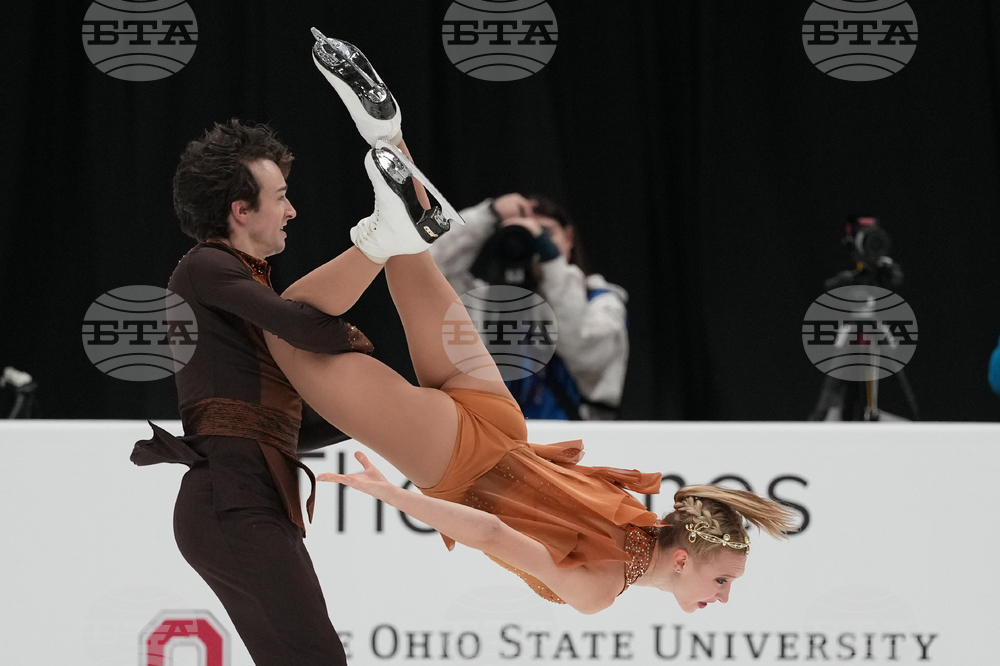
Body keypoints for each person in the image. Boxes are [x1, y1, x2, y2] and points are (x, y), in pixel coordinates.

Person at [261, 34, 796, 612]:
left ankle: (386, 132)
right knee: (289, 332)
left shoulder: (638, 517)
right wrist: (397, 496)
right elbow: (491, 533)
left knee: (413, 250)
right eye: (724, 582)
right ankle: (377, 235)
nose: (723, 598)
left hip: (502, 419)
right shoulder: (600, 588)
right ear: (684, 560)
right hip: (456, 463)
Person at [430, 192, 629, 420]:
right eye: (527, 236)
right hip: (496, 438)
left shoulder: (602, 301)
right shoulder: (485, 304)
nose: (536, 244)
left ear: (569, 236)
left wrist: (551, 260)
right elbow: (429, 268)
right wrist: (487, 215)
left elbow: (584, 350)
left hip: (579, 441)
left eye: (546, 233)